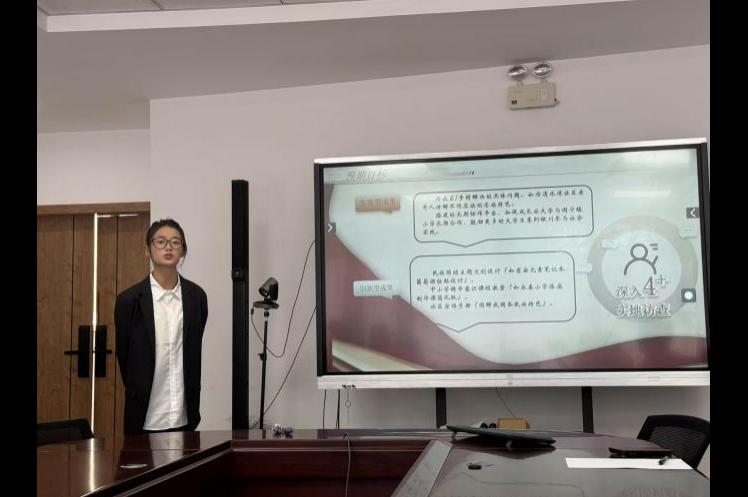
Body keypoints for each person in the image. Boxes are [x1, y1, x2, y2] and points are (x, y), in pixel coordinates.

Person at [115, 218, 208, 434]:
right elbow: (124, 356)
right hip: (145, 416)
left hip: (184, 415)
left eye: (175, 242)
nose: (168, 247)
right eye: (160, 241)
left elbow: (193, 347)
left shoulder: (196, 297)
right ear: (148, 249)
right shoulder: (128, 300)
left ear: (183, 250)